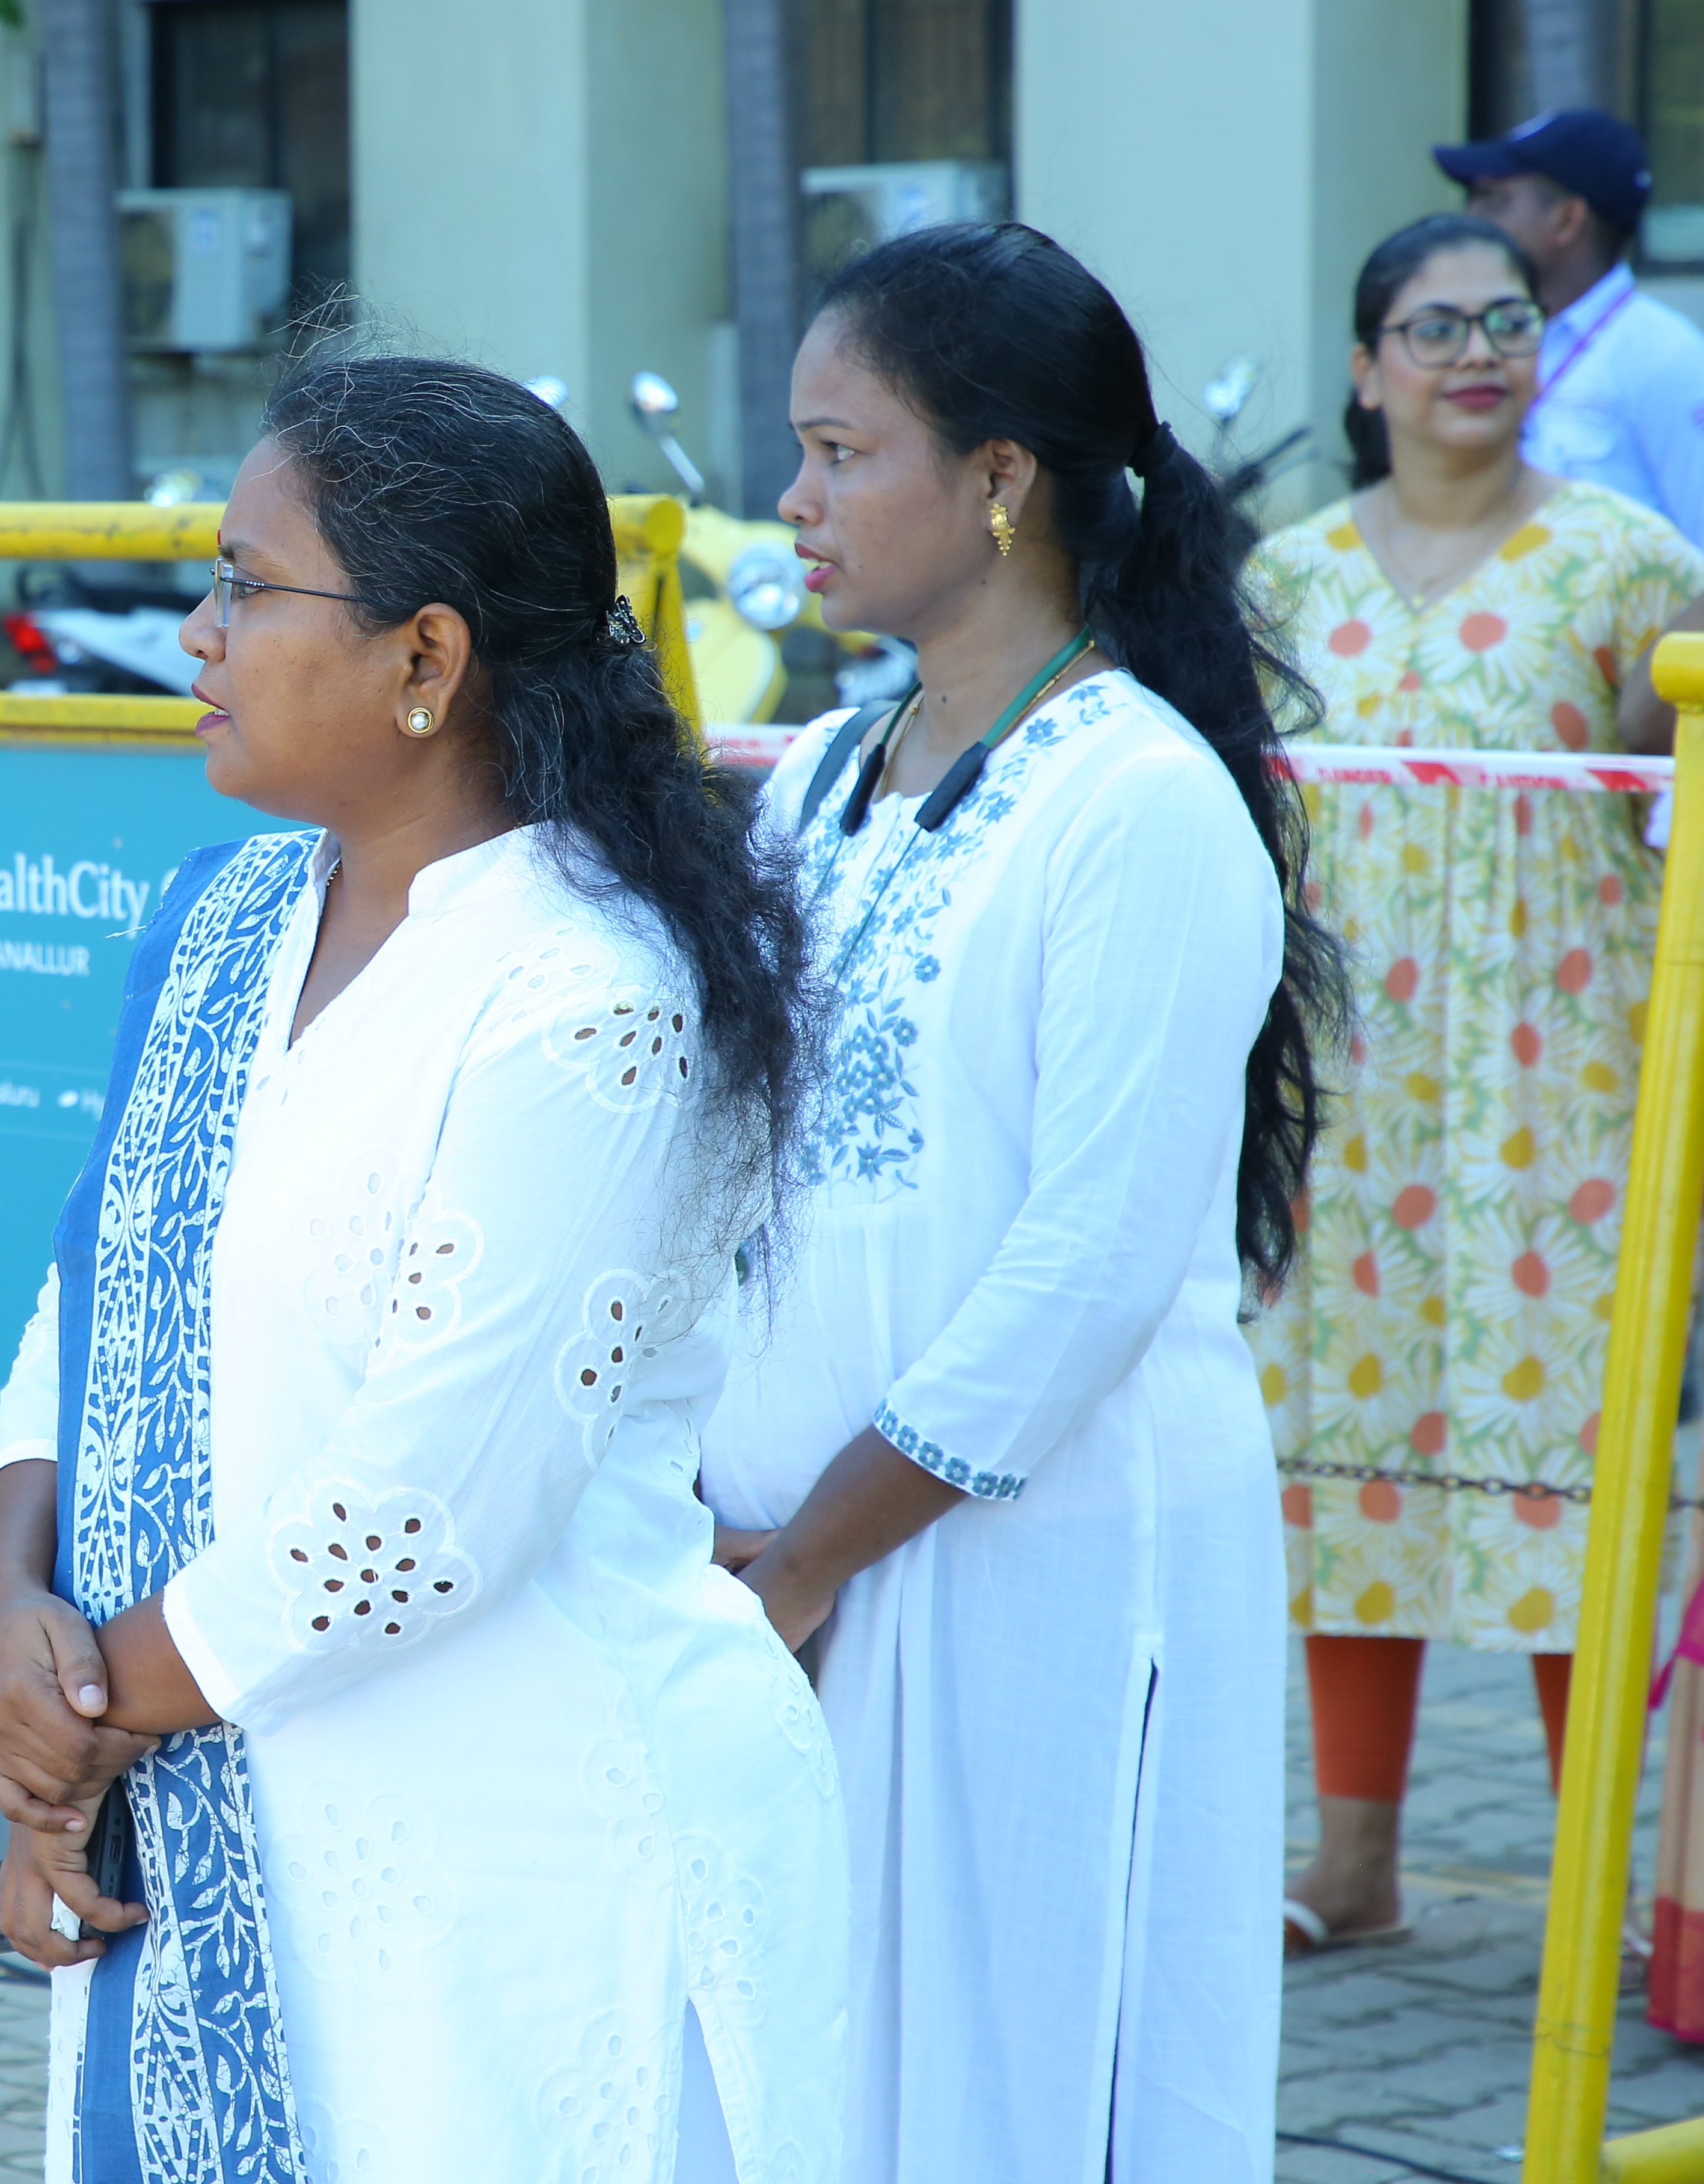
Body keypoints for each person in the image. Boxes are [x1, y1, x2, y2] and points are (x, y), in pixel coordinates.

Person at [0, 355, 847, 2180]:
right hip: (218, 1766)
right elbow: (96, 1295)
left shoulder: (583, 992)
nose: (197, 632)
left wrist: (81, 1715)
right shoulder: (223, 919)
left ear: (426, 661)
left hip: (510, 1836)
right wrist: (3, 1607)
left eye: (245, 582)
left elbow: (432, 1501)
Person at [702, 221, 1336, 2182]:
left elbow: (1089, 1268)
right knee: (832, 2068)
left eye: (838, 451)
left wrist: (816, 1551)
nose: (792, 502)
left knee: (1030, 2070)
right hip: (795, 1561)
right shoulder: (818, 774)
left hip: (1030, 1555)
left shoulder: (1134, 801)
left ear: (996, 482)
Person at [1248, 213, 1704, 1965]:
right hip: (1349, 1093)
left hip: (1559, 1096)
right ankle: (1352, 1865)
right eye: (1431, 328)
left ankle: (1599, 1891)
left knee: (1568, 1479)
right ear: (1367, 371)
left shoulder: (1633, 565)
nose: (1474, 353)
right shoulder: (1282, 584)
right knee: (1351, 1473)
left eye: (1506, 321)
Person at [1439, 108, 1704, 551]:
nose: (1470, 219)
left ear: (1566, 220)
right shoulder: (1495, 342)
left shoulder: (1667, 359)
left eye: (1492, 200)